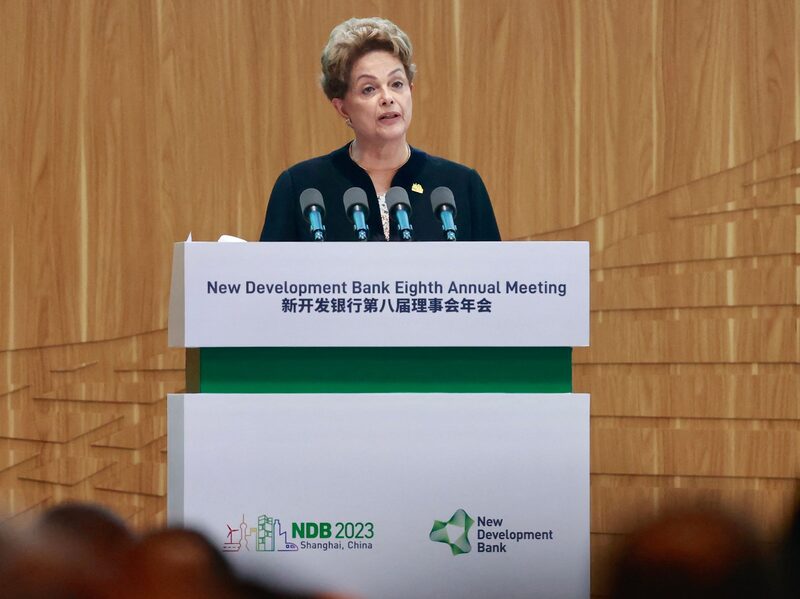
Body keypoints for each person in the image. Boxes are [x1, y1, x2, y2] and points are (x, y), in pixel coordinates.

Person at [259, 17, 501, 242]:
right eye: (369, 89)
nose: (387, 98)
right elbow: (272, 282)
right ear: (342, 108)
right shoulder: (302, 187)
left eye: (397, 84)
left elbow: (495, 281)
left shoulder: (459, 185)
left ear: (411, 91)